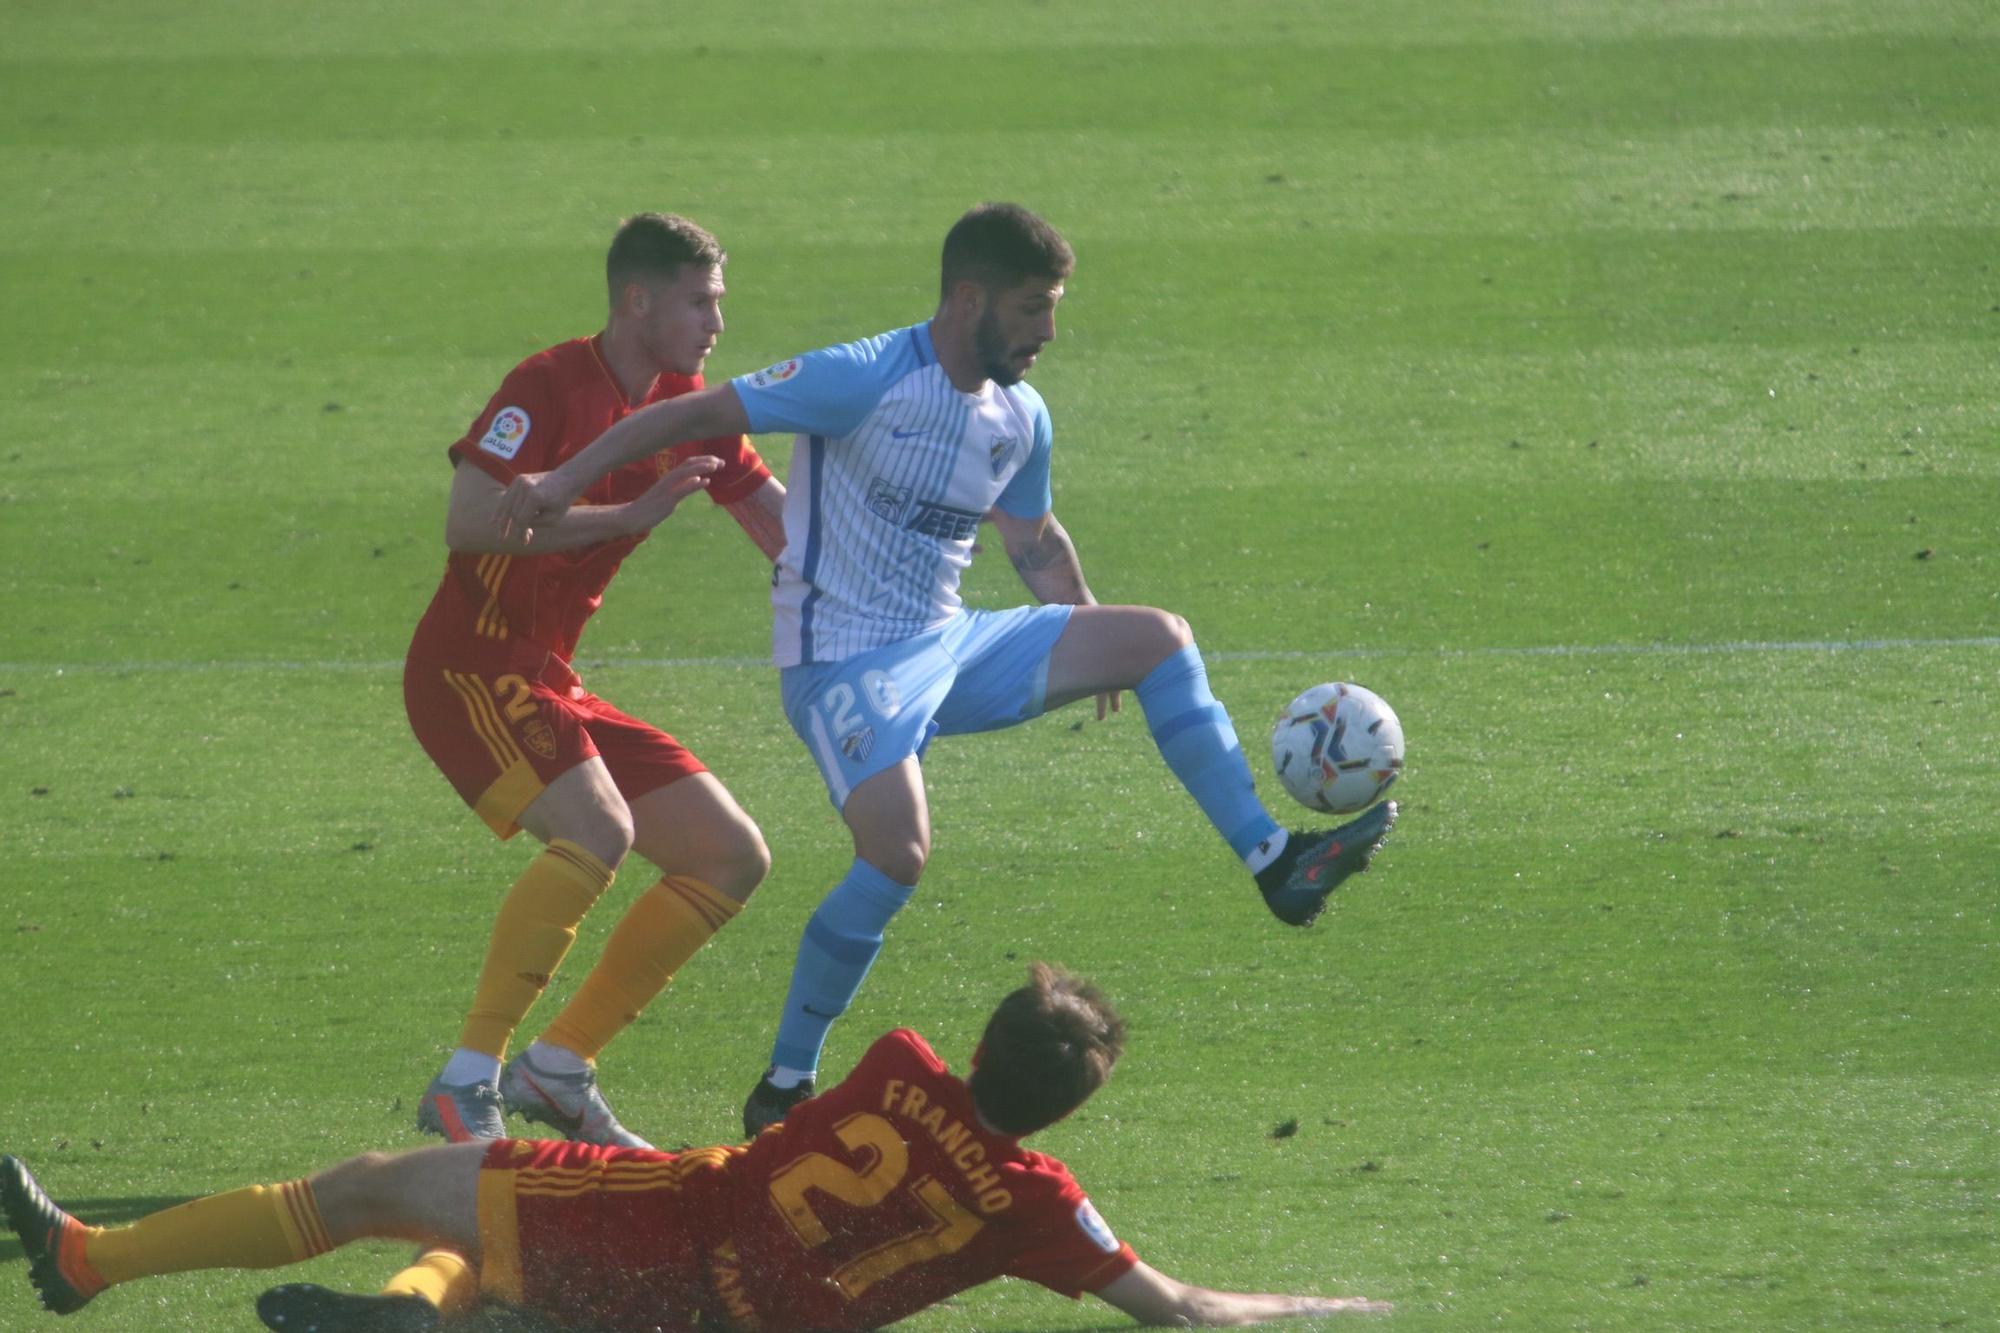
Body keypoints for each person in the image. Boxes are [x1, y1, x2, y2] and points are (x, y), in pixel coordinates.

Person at [494, 202, 1398, 1136]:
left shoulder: (1020, 414)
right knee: (898, 850)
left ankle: (1276, 861)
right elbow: (696, 410)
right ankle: (785, 1087)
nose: (1049, 331)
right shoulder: (865, 377)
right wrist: (562, 481)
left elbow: (1034, 539)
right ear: (969, 298)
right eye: (1032, 308)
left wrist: (1091, 629)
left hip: (950, 643)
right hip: (842, 662)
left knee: (1158, 637)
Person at [3, 964, 1391, 1330]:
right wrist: (1324, 1301)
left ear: (975, 1048)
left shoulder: (901, 1064)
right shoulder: (1042, 1206)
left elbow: (786, 1163)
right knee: (481, 1266)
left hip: (665, 1224)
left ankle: (89, 1261)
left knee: (380, 1191)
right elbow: (1179, 1307)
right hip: (733, 1322)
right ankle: (413, 1321)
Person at [404, 212, 786, 1150]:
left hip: (550, 678)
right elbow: (469, 519)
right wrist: (631, 510)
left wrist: (896, 583)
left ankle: (560, 1065)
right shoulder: (547, 385)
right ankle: (467, 1080)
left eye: (719, 302)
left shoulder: (688, 402)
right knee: (599, 828)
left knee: (730, 853)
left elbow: (781, 526)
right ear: (638, 300)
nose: (716, 323)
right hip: (472, 668)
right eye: (700, 301)